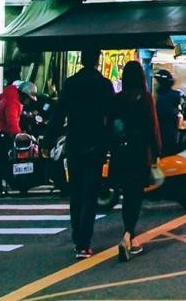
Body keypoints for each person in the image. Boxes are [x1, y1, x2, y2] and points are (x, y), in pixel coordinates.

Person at [53, 47, 115, 259]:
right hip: (96, 145)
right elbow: (112, 117)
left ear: (81, 59)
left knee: (76, 193)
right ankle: (84, 243)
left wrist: (48, 140)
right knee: (90, 194)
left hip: (75, 143)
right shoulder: (104, 85)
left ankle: (78, 238)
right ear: (98, 60)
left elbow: (59, 113)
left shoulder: (70, 84)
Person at [109, 61, 162, 262]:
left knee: (127, 196)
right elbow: (153, 127)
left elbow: (110, 127)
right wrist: (157, 151)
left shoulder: (118, 99)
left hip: (120, 154)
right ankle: (128, 236)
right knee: (135, 196)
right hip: (139, 154)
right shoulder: (145, 98)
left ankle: (130, 236)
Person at [0, 79, 34, 197]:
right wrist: (18, 134)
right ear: (24, 95)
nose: (28, 102)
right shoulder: (13, 102)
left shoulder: (7, 97)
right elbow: (11, 121)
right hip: (0, 135)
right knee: (1, 162)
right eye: (28, 99)